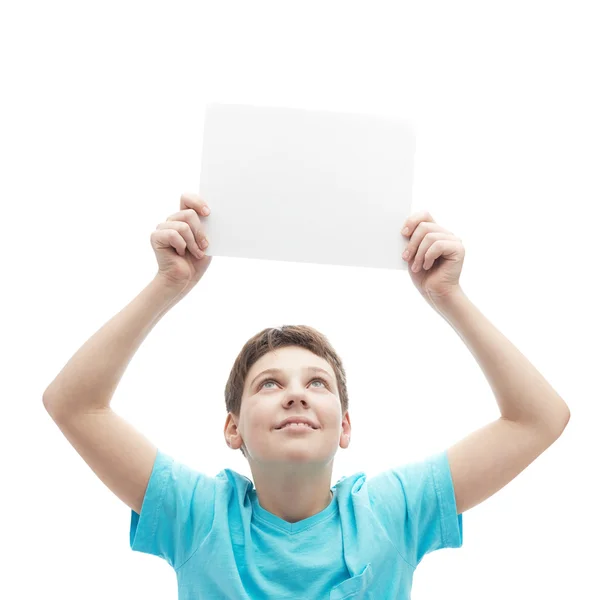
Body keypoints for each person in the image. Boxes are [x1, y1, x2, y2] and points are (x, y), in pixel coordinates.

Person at [43, 192, 569, 599]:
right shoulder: (200, 515)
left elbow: (538, 419)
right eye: (269, 384)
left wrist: (448, 296)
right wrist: (167, 285)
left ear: (344, 427)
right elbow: (72, 404)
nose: (295, 394)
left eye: (317, 383)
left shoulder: (389, 512)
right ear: (233, 428)